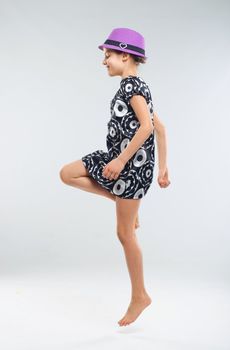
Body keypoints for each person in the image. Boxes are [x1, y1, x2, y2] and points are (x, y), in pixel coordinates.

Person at [59, 27, 171, 327]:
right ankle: (121, 200)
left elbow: (146, 127)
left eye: (108, 55)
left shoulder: (133, 87)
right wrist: (163, 168)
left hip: (130, 167)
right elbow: (160, 128)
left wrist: (122, 161)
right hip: (119, 161)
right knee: (67, 173)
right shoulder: (136, 87)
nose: (104, 61)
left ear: (125, 54)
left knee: (124, 234)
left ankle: (140, 296)